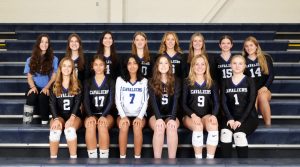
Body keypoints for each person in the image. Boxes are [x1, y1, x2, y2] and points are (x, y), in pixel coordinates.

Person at [220, 55, 258, 158]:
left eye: (240, 63)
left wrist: (240, 120)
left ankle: (243, 163)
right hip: (231, 117)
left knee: (238, 135)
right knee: (225, 133)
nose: (237, 66)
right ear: (230, 65)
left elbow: (251, 102)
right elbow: (223, 102)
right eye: (234, 63)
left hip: (248, 117)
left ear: (245, 66)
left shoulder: (250, 81)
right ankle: (226, 163)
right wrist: (230, 118)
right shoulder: (225, 82)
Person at [182, 55, 219, 159]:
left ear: (206, 66)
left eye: (202, 64)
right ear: (192, 67)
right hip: (189, 116)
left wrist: (214, 115)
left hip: (206, 115)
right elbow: (183, 103)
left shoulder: (212, 83)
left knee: (213, 126)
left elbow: (216, 102)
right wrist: (193, 115)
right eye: (197, 64)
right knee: (198, 127)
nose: (200, 66)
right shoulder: (187, 82)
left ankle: (209, 159)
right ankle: (198, 160)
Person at [115, 55, 149, 158]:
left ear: (138, 65)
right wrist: (123, 116)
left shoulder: (144, 81)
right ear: (126, 65)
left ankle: (137, 157)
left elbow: (145, 101)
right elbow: (117, 100)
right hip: (123, 114)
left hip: (139, 114)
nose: (132, 66)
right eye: (129, 63)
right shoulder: (120, 80)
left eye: (135, 63)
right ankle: (122, 157)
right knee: (124, 126)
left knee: (137, 127)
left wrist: (139, 117)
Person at [49, 57, 82, 159]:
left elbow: (77, 102)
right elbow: (52, 104)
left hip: (74, 115)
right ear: (60, 68)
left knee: (70, 130)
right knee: (54, 131)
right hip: (59, 115)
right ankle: (53, 160)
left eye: (69, 66)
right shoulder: (54, 85)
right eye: (64, 66)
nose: (66, 68)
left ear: (72, 69)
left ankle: (73, 159)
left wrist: (72, 118)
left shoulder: (77, 83)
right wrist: (55, 119)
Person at [148, 55, 181, 158]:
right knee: (159, 128)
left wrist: (172, 118)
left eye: (166, 63)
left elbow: (176, 101)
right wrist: (158, 118)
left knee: (172, 127)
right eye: (160, 63)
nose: (163, 65)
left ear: (169, 66)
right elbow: (153, 102)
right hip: (156, 115)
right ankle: (157, 160)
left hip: (171, 114)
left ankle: (172, 160)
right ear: (157, 66)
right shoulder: (151, 81)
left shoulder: (176, 81)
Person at [84, 55, 115, 158]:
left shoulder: (110, 81)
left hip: (107, 114)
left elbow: (111, 101)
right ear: (92, 66)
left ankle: (104, 159)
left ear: (105, 66)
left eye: (101, 65)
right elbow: (86, 101)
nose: (98, 67)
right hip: (91, 114)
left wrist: (103, 115)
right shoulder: (88, 81)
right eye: (96, 65)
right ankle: (92, 158)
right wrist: (90, 115)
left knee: (102, 125)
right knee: (90, 125)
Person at [23, 34, 58, 124]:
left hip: (48, 86)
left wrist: (47, 87)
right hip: (34, 86)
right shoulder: (30, 59)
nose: (44, 44)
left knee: (43, 97)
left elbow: (54, 77)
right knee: (31, 97)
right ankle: (26, 121)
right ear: (38, 43)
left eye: (46, 42)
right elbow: (29, 76)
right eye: (42, 42)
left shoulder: (54, 59)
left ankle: (44, 121)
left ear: (49, 44)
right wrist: (32, 87)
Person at [242, 36, 274, 126]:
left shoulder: (265, 58)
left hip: (263, 89)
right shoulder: (243, 60)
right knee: (253, 98)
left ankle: (268, 124)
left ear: (256, 46)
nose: (249, 48)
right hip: (250, 90)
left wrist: (265, 86)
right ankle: (253, 124)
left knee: (262, 97)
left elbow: (271, 75)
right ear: (244, 48)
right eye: (246, 46)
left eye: (251, 45)